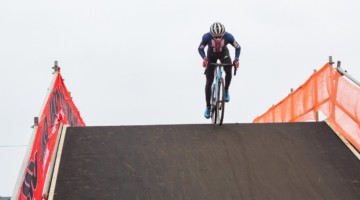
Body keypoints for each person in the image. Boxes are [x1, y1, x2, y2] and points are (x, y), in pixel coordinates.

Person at [198, 22, 241, 119]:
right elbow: (200, 48)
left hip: (223, 53)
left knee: (229, 69)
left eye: (220, 37)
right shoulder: (206, 37)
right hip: (211, 56)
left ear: (223, 34)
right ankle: (208, 107)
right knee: (209, 82)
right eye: (215, 37)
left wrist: (236, 59)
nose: (217, 39)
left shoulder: (229, 37)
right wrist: (204, 58)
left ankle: (225, 90)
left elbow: (238, 47)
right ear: (211, 35)